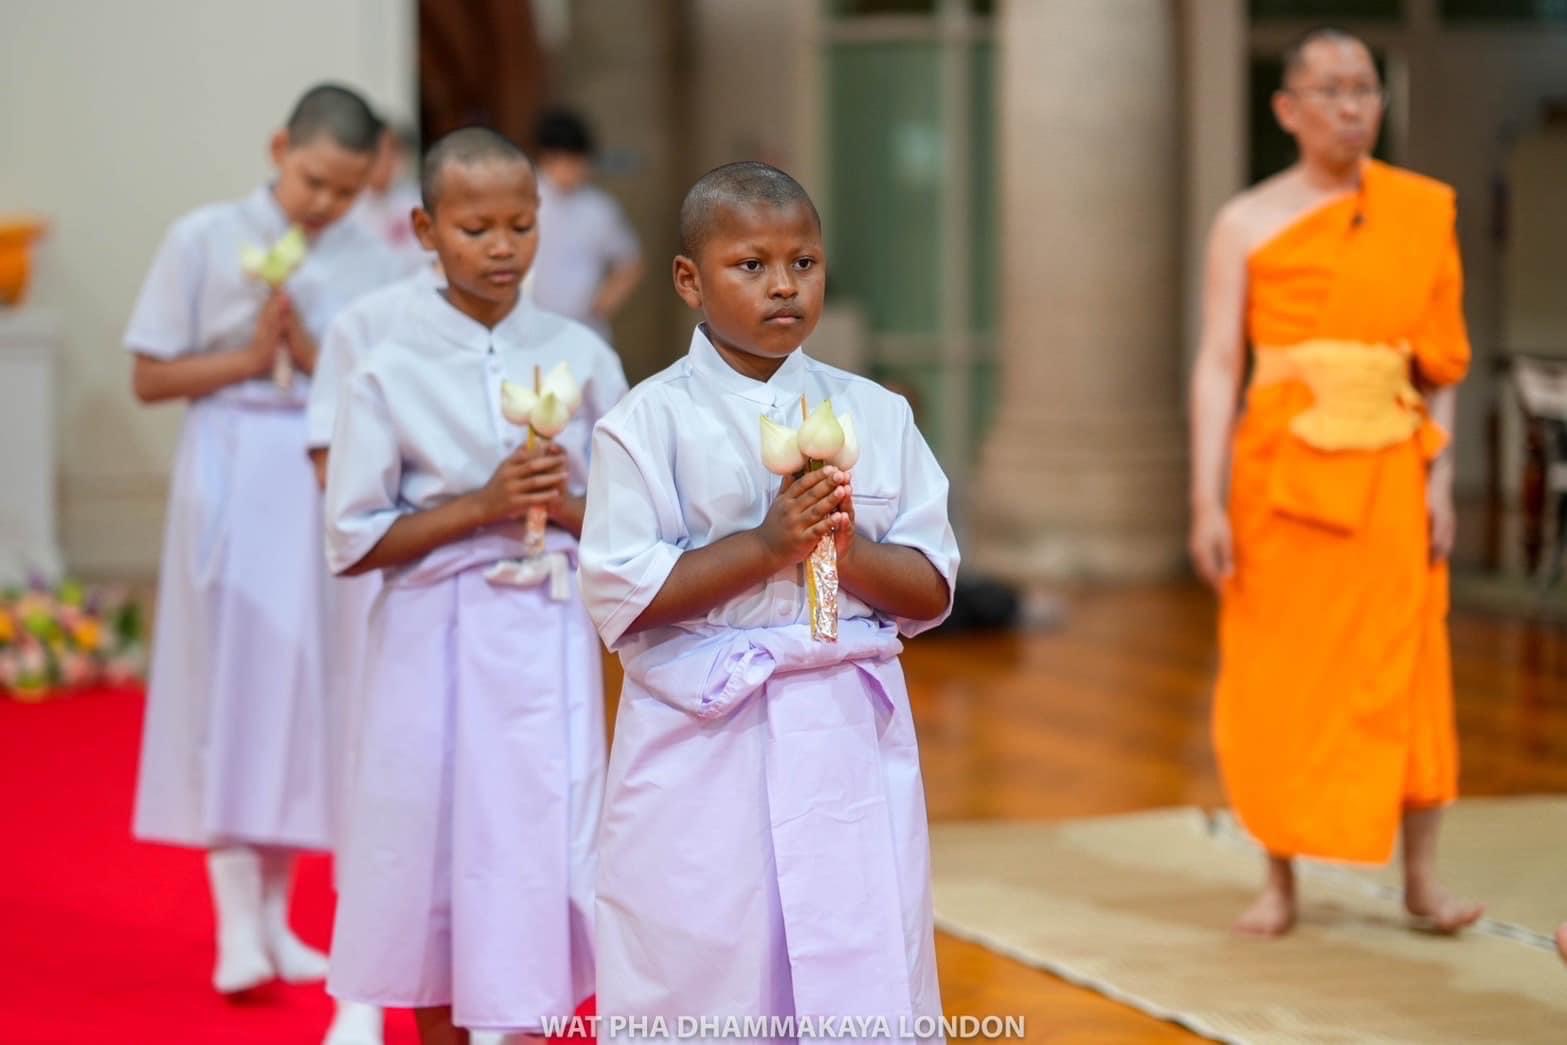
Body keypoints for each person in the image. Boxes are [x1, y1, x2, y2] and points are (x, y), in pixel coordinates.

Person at [579, 161, 959, 1041]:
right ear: (689, 280)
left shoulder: (874, 412)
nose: (783, 285)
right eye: (750, 265)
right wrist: (765, 546)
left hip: (843, 734)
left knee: (856, 960)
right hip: (706, 738)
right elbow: (624, 597)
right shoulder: (646, 425)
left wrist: (843, 548)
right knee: (707, 963)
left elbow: (932, 584)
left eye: (805, 263)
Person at [323, 127, 625, 1045]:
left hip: (546, 636)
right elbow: (353, 537)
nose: (502, 248)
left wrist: (566, 507)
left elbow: (632, 512)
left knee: (542, 849)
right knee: (433, 857)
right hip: (430, 634)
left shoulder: (580, 352)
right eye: (476, 228)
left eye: (521, 226)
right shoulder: (386, 353)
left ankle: (531, 1026)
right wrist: (481, 503)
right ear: (424, 228)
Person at [1187, 27, 1482, 937]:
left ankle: (1420, 880)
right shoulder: (1244, 220)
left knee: (1407, 670)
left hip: (1392, 469)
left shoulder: (1419, 212)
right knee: (1280, 674)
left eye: (1364, 88)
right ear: (1287, 109)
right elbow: (1216, 364)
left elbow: (1438, 366)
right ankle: (1278, 880)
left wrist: (1441, 482)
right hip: (1280, 478)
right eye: (1330, 90)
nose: (1351, 107)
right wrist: (1205, 496)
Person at [127, 82, 402, 996]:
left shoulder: (373, 259)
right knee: (237, 683)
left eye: (347, 189)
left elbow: (380, 386)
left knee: (309, 686)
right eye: (315, 181)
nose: (327, 204)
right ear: (280, 147)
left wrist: (317, 354)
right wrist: (253, 355)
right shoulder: (202, 237)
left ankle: (281, 923)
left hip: (324, 470)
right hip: (235, 453)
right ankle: (234, 925)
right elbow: (151, 377)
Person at [529, 107, 643, 340]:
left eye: (578, 162)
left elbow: (631, 263)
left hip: (584, 329)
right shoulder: (523, 199)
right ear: (546, 158)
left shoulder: (599, 208)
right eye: (565, 161)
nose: (572, 170)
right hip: (528, 326)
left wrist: (601, 306)